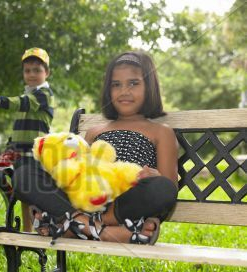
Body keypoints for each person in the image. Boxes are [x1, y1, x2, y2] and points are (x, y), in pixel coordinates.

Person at [13, 51, 178, 244]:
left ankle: (76, 226)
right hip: (83, 202)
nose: (124, 91)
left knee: (163, 188)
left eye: (133, 83)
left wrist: (155, 176)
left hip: (123, 207)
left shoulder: (160, 132)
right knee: (24, 173)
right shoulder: (94, 131)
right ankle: (103, 229)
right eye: (116, 85)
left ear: (149, 87)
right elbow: (78, 170)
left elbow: (170, 186)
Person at [0, 47, 54, 231]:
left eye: (37, 70)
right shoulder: (29, 94)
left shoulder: (44, 95)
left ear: (47, 73)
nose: (32, 74)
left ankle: (42, 229)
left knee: (34, 193)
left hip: (35, 154)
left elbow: (19, 102)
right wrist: (10, 146)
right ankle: (27, 233)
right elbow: (20, 128)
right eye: (27, 70)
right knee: (22, 194)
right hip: (21, 153)